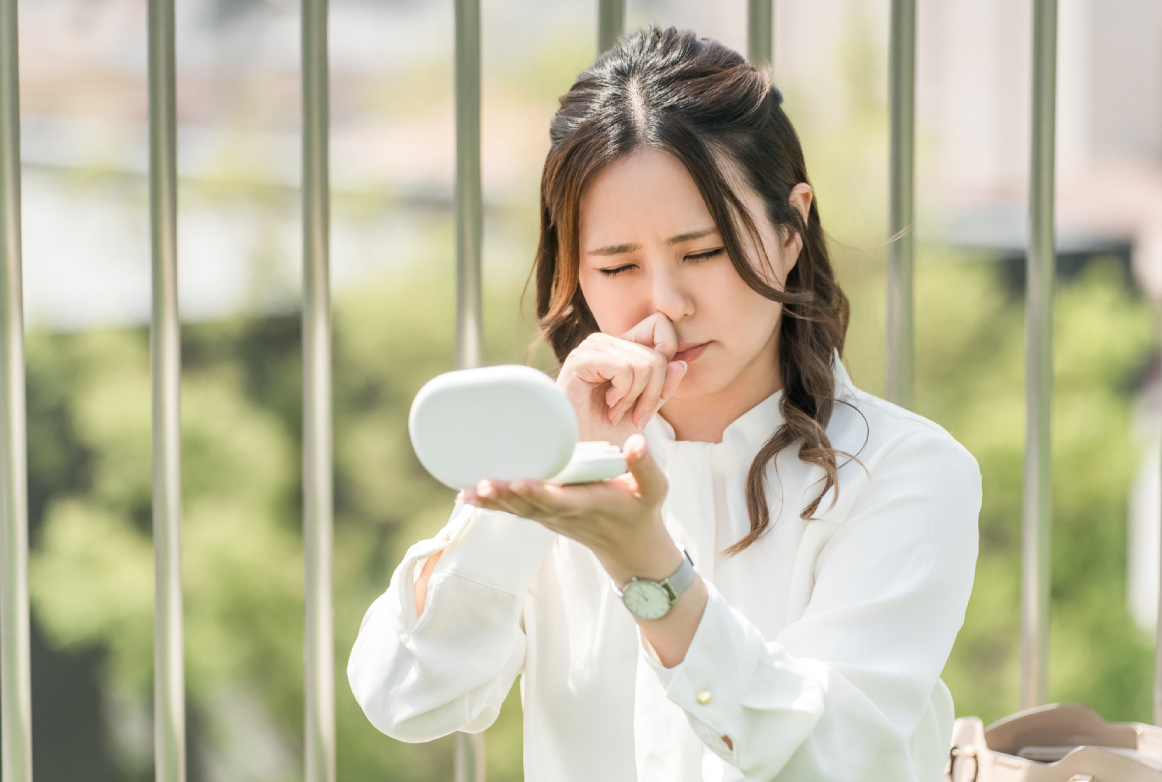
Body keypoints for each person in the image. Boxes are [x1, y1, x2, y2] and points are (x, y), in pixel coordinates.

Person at [348, 26, 980, 782]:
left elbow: (835, 758)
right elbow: (408, 698)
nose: (665, 301)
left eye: (703, 252)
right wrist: (524, 486)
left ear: (790, 229)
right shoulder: (562, 474)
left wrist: (648, 569)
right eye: (616, 265)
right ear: (575, 273)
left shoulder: (906, 471)